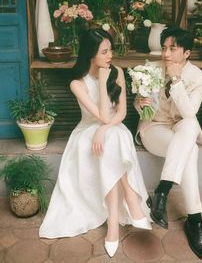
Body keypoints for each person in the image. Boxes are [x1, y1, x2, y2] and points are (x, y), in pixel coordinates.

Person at [39, 29, 152, 258]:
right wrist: (101, 82)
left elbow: (119, 114)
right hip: (86, 133)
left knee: (114, 136)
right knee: (113, 138)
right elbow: (102, 116)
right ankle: (128, 199)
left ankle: (115, 219)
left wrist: (104, 128)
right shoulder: (77, 84)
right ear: (91, 54)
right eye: (105, 51)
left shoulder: (118, 72)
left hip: (111, 130)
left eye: (111, 49)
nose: (110, 55)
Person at [134, 27, 202, 261]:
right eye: (164, 48)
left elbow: (189, 113)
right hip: (155, 128)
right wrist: (140, 102)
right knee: (189, 153)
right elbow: (143, 110)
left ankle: (162, 192)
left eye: (173, 48)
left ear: (187, 53)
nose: (166, 54)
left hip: (181, 128)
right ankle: (195, 222)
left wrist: (177, 79)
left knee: (189, 126)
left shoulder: (199, 78)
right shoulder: (150, 70)